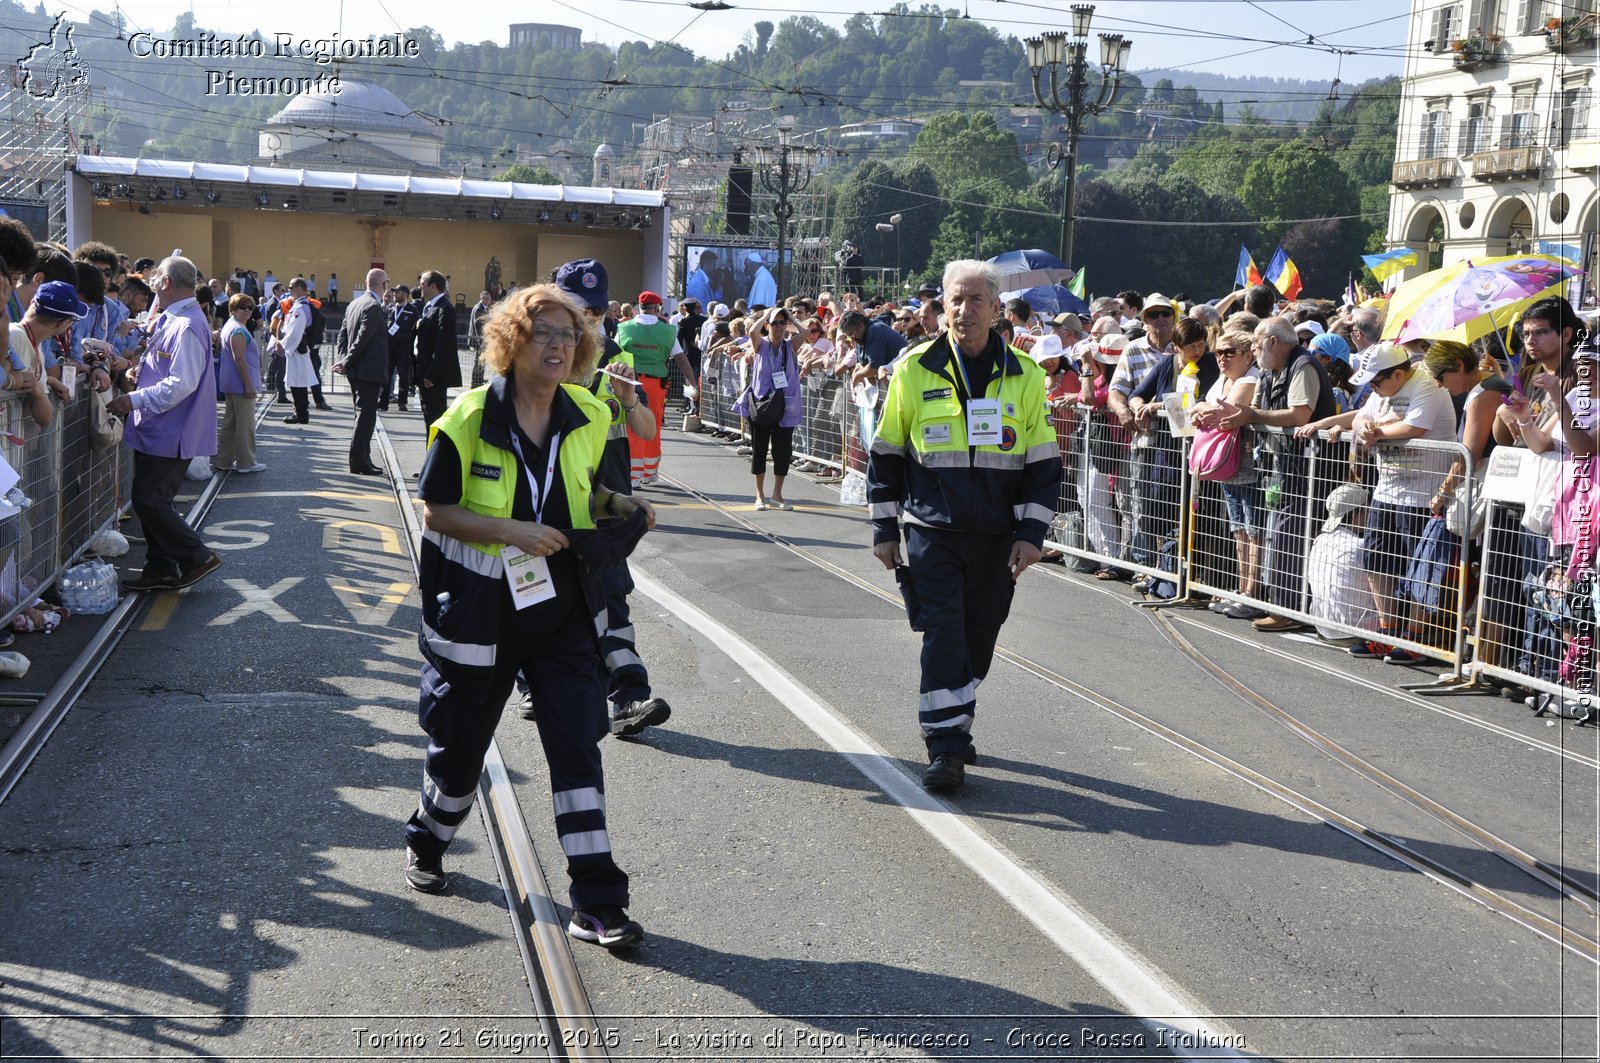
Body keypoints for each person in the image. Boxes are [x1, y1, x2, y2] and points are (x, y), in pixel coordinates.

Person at [403, 282, 654, 952]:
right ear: (512, 341)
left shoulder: (589, 412)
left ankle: (597, 900)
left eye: (568, 334)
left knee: (577, 746)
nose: (559, 344)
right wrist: (510, 531)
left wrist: (618, 509)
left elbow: (586, 492)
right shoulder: (467, 418)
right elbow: (436, 509)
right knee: (458, 754)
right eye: (543, 331)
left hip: (561, 612)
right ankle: (429, 834)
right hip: (482, 613)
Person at [866, 259, 1062, 793]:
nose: (964, 309)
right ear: (941, 306)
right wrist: (884, 529)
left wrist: (1031, 535)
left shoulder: (1027, 374)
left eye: (977, 300)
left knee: (981, 635)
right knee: (945, 635)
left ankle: (957, 708)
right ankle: (945, 745)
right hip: (933, 531)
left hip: (997, 537)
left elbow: (1043, 464)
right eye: (956, 298)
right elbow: (885, 454)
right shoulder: (913, 369)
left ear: (996, 309)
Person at [547, 257, 671, 737]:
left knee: (612, 598)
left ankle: (630, 698)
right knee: (542, 599)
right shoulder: (541, 357)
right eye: (583, 310)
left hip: (608, 505)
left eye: (597, 312)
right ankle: (534, 681)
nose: (592, 321)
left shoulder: (617, 355)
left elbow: (645, 430)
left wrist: (630, 399)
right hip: (548, 504)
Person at [1298, 341, 1457, 659]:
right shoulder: (1382, 391)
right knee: (1376, 560)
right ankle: (1386, 629)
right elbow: (1361, 417)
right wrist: (1354, 425)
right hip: (1387, 489)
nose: (1372, 387)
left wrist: (1378, 432)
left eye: (1375, 382)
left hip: (1423, 494)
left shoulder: (1427, 386)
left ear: (1398, 374)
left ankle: (1416, 636)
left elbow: (1416, 426)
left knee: (1419, 567)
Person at [1212, 316, 1336, 632]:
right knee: (1277, 535)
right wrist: (1244, 414)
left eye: (1255, 343)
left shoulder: (1303, 366)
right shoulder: (1271, 369)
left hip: (1307, 467)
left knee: (1288, 537)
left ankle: (1288, 610)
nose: (1252, 350)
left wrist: (1252, 415)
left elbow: (1299, 414)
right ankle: (1279, 605)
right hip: (1280, 464)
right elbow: (1252, 409)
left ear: (1272, 342)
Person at [106, 256, 223, 591]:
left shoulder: (185, 324)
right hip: (162, 428)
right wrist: (138, 374)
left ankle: (196, 556)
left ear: (167, 283)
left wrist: (135, 398)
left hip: (171, 430)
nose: (152, 281)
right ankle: (161, 568)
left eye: (156, 276)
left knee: (149, 500)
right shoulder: (178, 319)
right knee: (154, 499)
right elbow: (168, 370)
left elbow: (181, 382)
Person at [1191, 329, 1264, 617]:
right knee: (1237, 528)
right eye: (1219, 352)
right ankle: (1242, 586)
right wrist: (1201, 407)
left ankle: (1252, 591)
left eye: (1229, 352)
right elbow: (1200, 406)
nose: (1221, 358)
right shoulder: (1223, 379)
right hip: (1226, 463)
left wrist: (1203, 408)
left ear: (1247, 356)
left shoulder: (1250, 378)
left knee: (1253, 528)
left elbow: (1225, 412)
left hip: (1247, 462)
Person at [615, 291, 694, 487]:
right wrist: (692, 383)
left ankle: (633, 475)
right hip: (656, 385)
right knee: (653, 426)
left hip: (629, 382)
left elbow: (615, 354)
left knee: (631, 426)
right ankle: (650, 472)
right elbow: (681, 358)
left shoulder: (624, 328)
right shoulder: (667, 331)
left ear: (638, 307)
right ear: (657, 308)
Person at [733, 307, 802, 511]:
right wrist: (766, 315)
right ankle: (759, 495)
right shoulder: (760, 345)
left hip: (784, 405)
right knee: (760, 451)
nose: (779, 326)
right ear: (767, 326)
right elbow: (752, 332)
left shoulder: (790, 346)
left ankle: (777, 495)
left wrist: (791, 318)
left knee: (782, 451)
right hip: (761, 405)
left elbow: (805, 333)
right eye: (775, 323)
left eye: (782, 323)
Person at [1306, 483, 1381, 642]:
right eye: (1367, 508)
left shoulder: (1319, 540)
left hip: (1322, 627)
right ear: (1356, 514)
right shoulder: (1360, 547)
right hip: (1354, 630)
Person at [334, 268, 390, 476]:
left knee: (362, 415)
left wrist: (343, 360)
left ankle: (363, 457)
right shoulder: (373, 306)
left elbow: (343, 335)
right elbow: (363, 338)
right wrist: (346, 361)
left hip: (357, 369)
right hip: (368, 369)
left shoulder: (355, 303)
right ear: (383, 285)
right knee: (366, 416)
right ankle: (358, 460)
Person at [215, 294, 265, 474]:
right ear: (233, 309)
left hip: (231, 382)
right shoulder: (237, 329)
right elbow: (240, 359)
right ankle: (246, 462)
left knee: (230, 423)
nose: (247, 311)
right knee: (246, 424)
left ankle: (223, 460)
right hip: (240, 383)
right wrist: (249, 384)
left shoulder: (230, 326)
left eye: (250, 308)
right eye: (242, 307)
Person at [414, 270, 461, 429]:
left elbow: (444, 345)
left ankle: (435, 453)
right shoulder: (430, 307)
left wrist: (431, 374)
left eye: (422, 285)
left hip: (433, 377)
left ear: (433, 286)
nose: (420, 288)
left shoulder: (444, 308)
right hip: (425, 373)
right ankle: (431, 452)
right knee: (429, 418)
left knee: (435, 419)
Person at [275, 278, 320, 424]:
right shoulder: (301, 306)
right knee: (296, 382)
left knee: (298, 382)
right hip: (297, 349)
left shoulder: (300, 308)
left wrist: (282, 344)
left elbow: (295, 332)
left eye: (291, 287)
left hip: (297, 350)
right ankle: (300, 412)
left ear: (301, 288)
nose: (289, 290)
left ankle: (301, 413)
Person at [383, 283, 418, 412]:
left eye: (397, 292)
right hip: (390, 347)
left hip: (404, 348)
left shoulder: (412, 310)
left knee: (403, 375)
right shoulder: (390, 308)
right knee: (386, 374)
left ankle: (402, 402)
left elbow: (416, 329)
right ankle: (383, 401)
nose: (394, 294)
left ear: (404, 295)